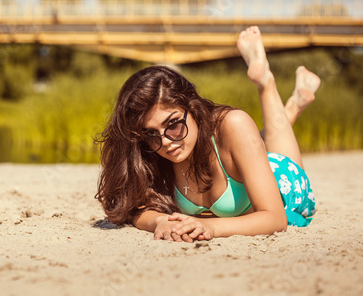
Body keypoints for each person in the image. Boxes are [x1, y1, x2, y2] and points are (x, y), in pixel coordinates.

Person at [95, 26, 319, 242]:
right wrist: (161, 221)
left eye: (173, 125)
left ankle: (266, 82)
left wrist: (210, 226)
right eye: (151, 134)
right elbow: (136, 208)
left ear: (192, 108)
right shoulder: (152, 149)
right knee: (254, 143)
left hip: (283, 180)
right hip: (243, 154)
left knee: (276, 153)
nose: (165, 142)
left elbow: (275, 218)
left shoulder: (234, 123)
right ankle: (295, 103)